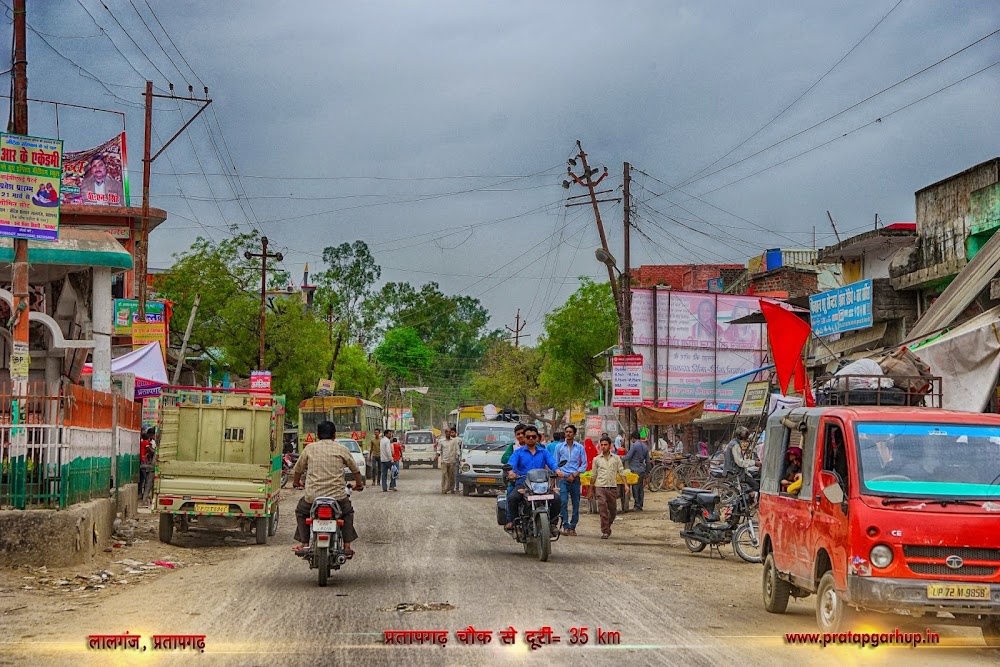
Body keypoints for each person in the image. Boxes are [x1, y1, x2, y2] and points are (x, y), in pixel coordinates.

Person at [292, 421, 364, 558]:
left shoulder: (309, 448)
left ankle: (305, 542)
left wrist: (296, 483)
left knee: (301, 511)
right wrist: (358, 485)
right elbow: (356, 471)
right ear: (334, 435)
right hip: (337, 497)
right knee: (347, 512)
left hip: (312, 497)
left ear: (317, 435)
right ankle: (347, 546)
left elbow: (298, 470)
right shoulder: (342, 449)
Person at [505, 425, 562, 531]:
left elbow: (552, 462)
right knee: (512, 498)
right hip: (523, 484)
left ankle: (553, 524)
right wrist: (511, 473)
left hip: (542, 485)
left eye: (533, 436)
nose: (531, 438)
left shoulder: (543, 452)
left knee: (557, 498)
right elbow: (511, 464)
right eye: (528, 437)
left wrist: (558, 471)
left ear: (537, 438)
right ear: (524, 438)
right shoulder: (518, 452)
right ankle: (516, 523)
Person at [590, 436, 627, 539]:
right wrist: (590, 489)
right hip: (600, 487)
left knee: (613, 511)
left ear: (610, 446)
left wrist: (626, 485)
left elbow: (621, 471)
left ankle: (608, 525)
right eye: (601, 445)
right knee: (603, 508)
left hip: (612, 488)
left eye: (605, 445)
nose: (603, 447)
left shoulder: (616, 458)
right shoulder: (596, 459)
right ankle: (605, 531)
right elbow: (593, 475)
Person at [555, 425, 586, 536]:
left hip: (575, 478)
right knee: (563, 501)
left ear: (574, 434)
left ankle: (573, 526)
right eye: (566, 431)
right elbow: (555, 463)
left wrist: (575, 474)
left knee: (576, 503)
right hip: (563, 478)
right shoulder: (559, 447)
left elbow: (584, 464)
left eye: (570, 432)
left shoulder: (580, 448)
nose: (568, 434)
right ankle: (565, 525)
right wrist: (560, 473)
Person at [621, 431, 650, 511]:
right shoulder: (645, 447)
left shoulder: (634, 445)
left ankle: (637, 505)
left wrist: (620, 459)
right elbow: (648, 461)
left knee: (635, 488)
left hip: (635, 469)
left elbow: (629, 456)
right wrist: (647, 471)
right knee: (640, 488)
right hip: (642, 469)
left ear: (633, 438)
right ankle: (640, 504)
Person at [439, 427, 462, 494]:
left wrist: (459, 457)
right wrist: (437, 455)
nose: (448, 433)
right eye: (447, 432)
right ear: (445, 433)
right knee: (444, 475)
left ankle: (452, 488)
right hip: (444, 461)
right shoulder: (441, 441)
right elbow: (439, 450)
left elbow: (457, 450)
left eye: (449, 432)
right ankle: (444, 489)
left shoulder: (454, 441)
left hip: (452, 461)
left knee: (451, 475)